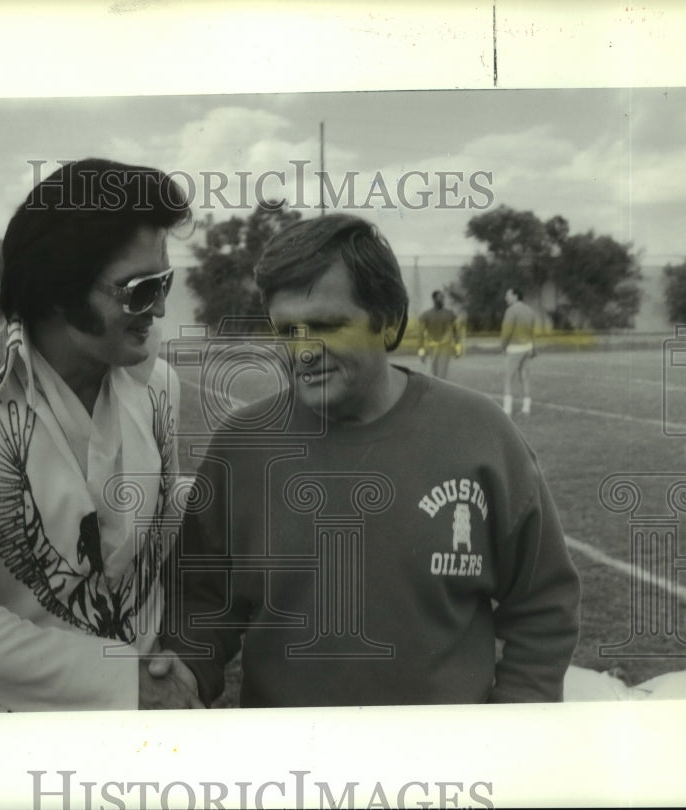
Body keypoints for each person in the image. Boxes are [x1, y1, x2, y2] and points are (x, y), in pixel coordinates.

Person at [146, 214, 580, 708]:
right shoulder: (241, 447)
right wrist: (187, 671)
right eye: (288, 330)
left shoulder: (481, 434)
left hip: (446, 769)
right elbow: (202, 600)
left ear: (389, 320)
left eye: (328, 325)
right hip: (293, 768)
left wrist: (518, 713)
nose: (304, 350)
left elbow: (543, 601)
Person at [0, 158, 203, 712]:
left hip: (152, 720)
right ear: (58, 291)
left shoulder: (161, 388)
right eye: (140, 289)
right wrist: (118, 683)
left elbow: (158, 542)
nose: (159, 307)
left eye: (165, 281)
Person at [500, 287, 538, 416]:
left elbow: (507, 332)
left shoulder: (511, 311)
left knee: (508, 379)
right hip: (527, 347)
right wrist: (533, 347)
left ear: (515, 296)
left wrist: (503, 347)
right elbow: (532, 331)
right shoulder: (529, 310)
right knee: (525, 378)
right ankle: (526, 409)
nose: (506, 298)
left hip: (514, 348)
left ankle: (507, 410)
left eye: (508, 295)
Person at [415, 289, 464, 379]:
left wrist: (458, 349)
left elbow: (456, 332)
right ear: (434, 299)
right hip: (432, 347)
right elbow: (420, 335)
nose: (442, 300)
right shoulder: (426, 315)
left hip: (445, 347)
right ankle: (437, 391)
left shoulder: (450, 314)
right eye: (440, 298)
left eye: (443, 298)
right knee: (435, 375)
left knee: (442, 374)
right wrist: (421, 353)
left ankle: (442, 390)